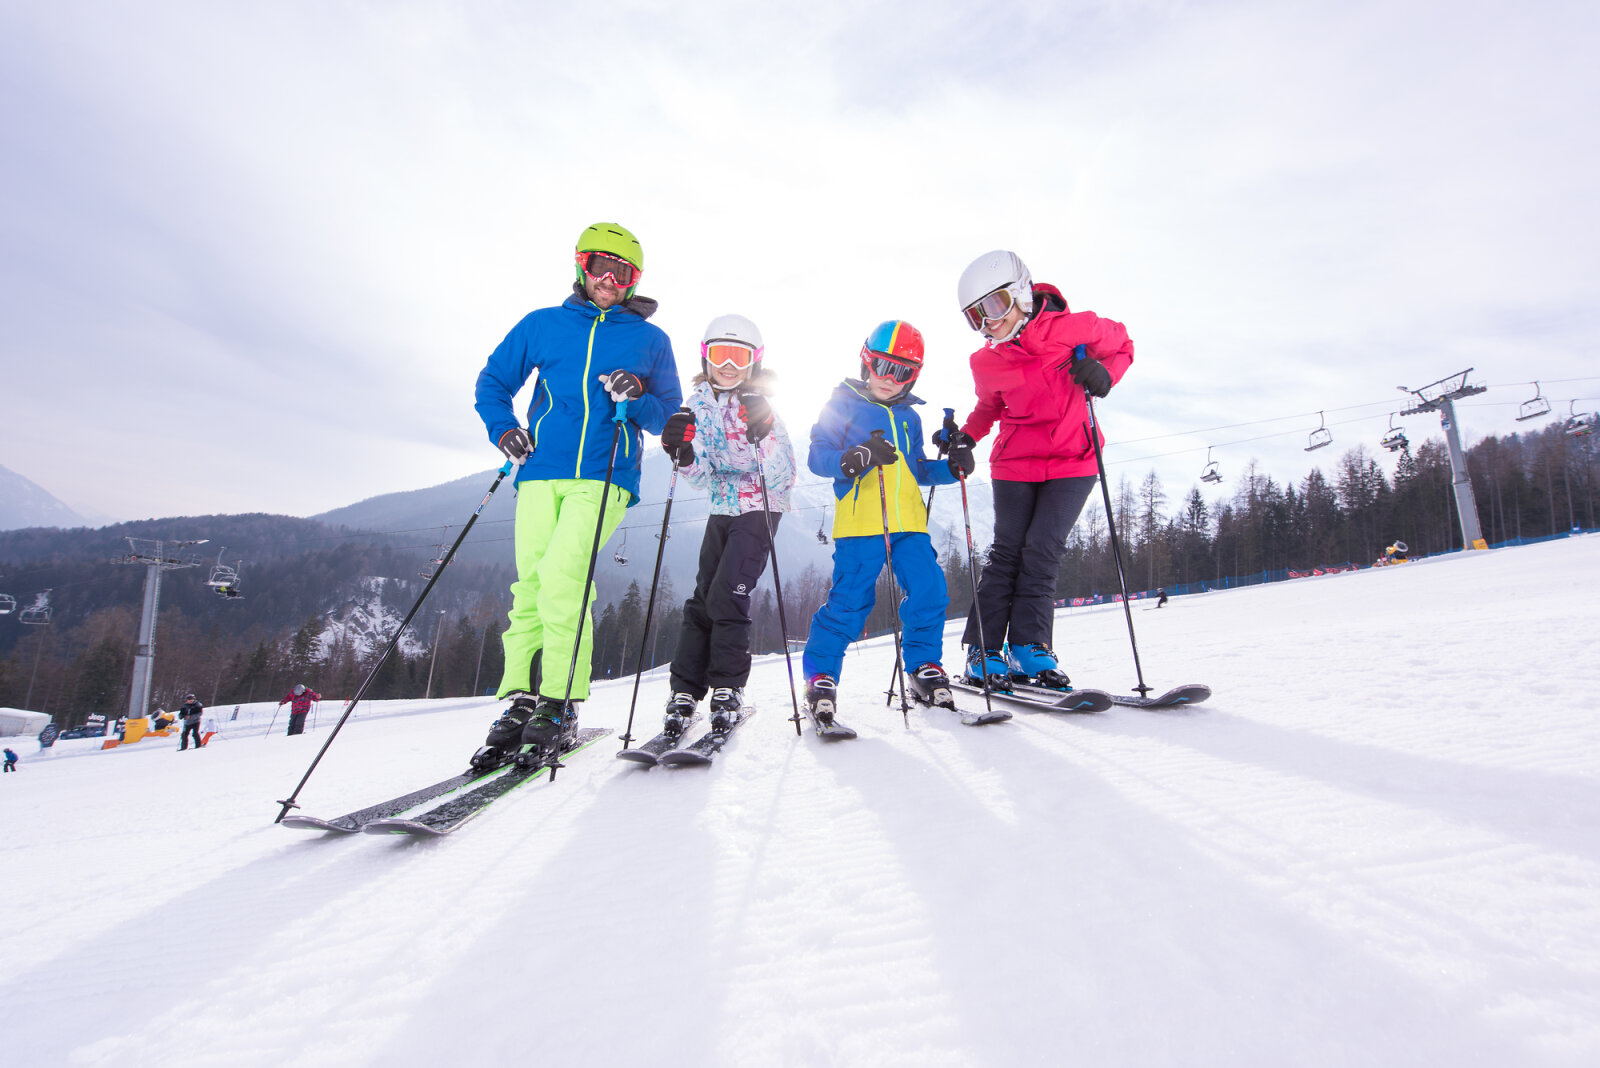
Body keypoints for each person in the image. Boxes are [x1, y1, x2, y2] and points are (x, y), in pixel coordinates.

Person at [472, 222, 682, 769]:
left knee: (565, 577)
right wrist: (503, 428)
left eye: (623, 272)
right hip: (539, 470)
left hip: (607, 473)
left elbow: (671, 418)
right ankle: (521, 696)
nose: (609, 279)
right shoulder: (542, 325)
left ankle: (560, 700)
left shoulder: (650, 341)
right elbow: (493, 382)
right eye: (599, 266)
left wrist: (635, 397)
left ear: (636, 281)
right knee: (532, 583)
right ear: (580, 268)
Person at [947, 250, 1134, 691]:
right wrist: (967, 438)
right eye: (975, 316)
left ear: (1021, 293)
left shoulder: (1076, 328)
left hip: (1075, 458)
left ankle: (1030, 648)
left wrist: (1104, 373)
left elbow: (1123, 345)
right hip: (1015, 462)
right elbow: (989, 406)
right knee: (1008, 551)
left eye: (992, 307)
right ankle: (984, 650)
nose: (986, 323)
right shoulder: (985, 362)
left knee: (1043, 549)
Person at [800, 320, 965, 725]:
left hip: (909, 522)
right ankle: (820, 676)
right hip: (861, 525)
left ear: (914, 377)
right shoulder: (841, 404)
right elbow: (818, 456)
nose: (890, 379)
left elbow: (917, 469)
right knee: (850, 602)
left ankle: (923, 667)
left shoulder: (910, 417)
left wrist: (953, 468)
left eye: (902, 371)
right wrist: (852, 458)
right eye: (882, 366)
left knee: (929, 589)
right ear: (865, 362)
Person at [657, 314, 797, 737]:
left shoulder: (763, 404)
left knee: (727, 595)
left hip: (760, 506)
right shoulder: (697, 404)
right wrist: (681, 453)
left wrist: (765, 430)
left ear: (754, 361)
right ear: (706, 356)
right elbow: (701, 477)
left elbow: (785, 474)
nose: (730, 366)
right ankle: (685, 690)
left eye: (740, 356)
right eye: (721, 355)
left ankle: (727, 687)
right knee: (702, 598)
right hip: (722, 506)